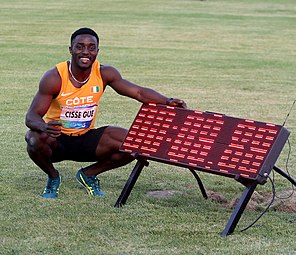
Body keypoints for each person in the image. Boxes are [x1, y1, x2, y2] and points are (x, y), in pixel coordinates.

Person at [25, 27, 187, 199]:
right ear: (71, 50)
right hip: (57, 139)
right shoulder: (54, 77)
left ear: (97, 51)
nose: (85, 52)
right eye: (79, 47)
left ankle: (88, 174)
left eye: (91, 47)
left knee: (133, 143)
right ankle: (53, 177)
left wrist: (167, 101)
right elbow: (31, 116)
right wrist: (45, 127)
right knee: (33, 137)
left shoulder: (104, 73)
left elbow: (138, 92)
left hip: (86, 138)